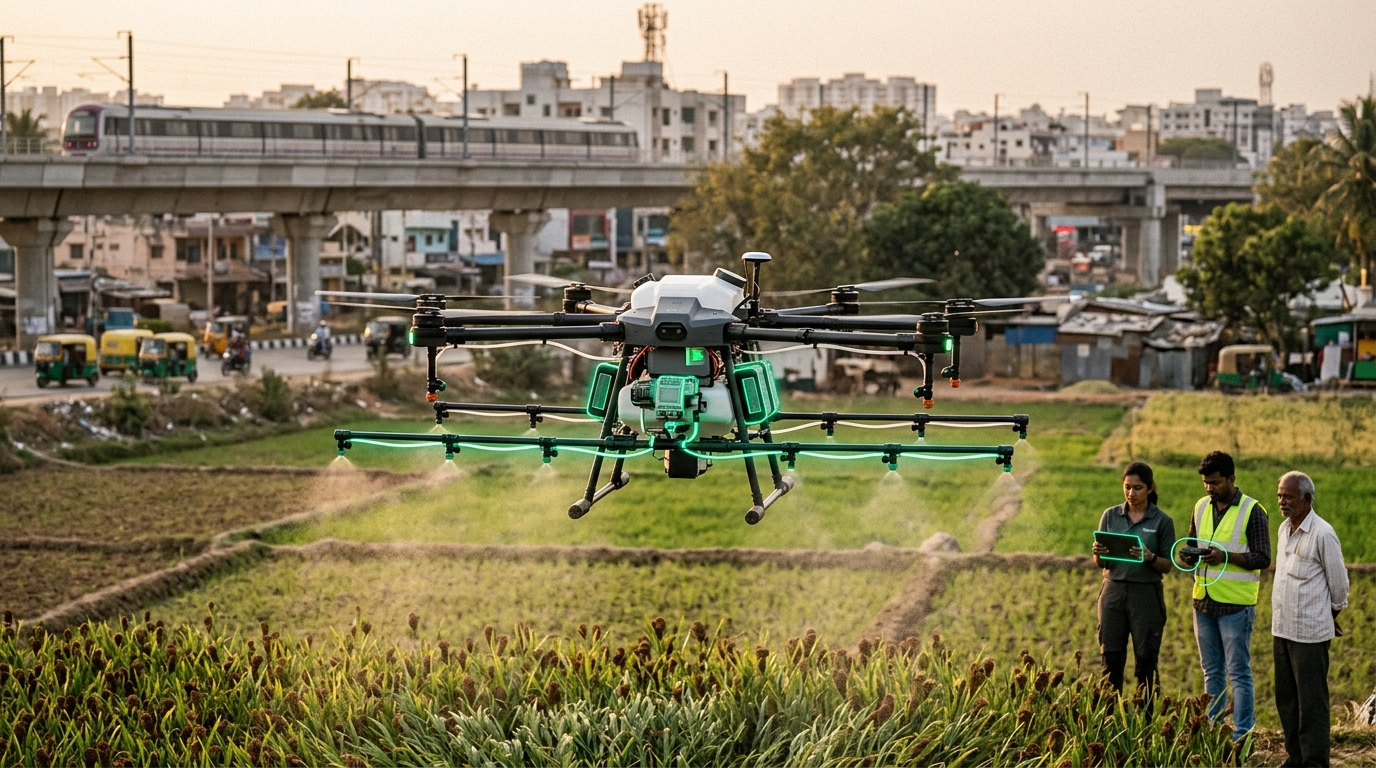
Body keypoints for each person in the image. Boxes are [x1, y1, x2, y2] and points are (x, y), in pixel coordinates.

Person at [1179, 450, 1271, 742]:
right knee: (1212, 672)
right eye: (1206, 482)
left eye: (1215, 482)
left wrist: (1225, 557)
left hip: (1235, 605)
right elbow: (1192, 546)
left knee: (1239, 673)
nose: (1209, 488)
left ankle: (1243, 735)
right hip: (1203, 601)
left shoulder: (1252, 510)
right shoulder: (1201, 507)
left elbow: (1262, 557)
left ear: (1231, 479)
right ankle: (1214, 731)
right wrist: (1187, 556)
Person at [1273, 471, 1348, 768]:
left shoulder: (1323, 533)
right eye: (1279, 495)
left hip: (1310, 634)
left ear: (1306, 499)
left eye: (1288, 496)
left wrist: (1331, 613)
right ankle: (1296, 758)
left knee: (1311, 704)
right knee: (1287, 700)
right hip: (1282, 629)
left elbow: (1339, 584)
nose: (1281, 501)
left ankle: (1315, 763)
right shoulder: (1282, 530)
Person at [1091, 461, 1176, 699]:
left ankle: (1145, 723)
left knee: (1146, 661)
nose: (1131, 493)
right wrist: (1098, 552)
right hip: (1113, 591)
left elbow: (1167, 565)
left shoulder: (1161, 521)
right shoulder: (1110, 516)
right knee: (1111, 659)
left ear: (1150, 488)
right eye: (1127, 487)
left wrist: (1149, 557)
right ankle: (1107, 720)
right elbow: (1101, 563)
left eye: (1137, 488)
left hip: (1146, 594)